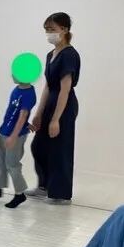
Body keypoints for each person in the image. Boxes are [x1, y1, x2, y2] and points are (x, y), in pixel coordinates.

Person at [29, 12, 81, 203]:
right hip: (51, 102)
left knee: (60, 148)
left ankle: (60, 193)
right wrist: (39, 114)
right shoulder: (51, 55)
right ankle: (44, 185)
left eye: (53, 30)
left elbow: (64, 89)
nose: (49, 34)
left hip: (64, 106)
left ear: (64, 30)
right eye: (47, 30)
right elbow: (48, 86)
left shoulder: (69, 55)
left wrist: (56, 119)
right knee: (39, 146)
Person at [0, 76, 37, 209]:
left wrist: (14, 136)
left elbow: (23, 114)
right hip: (4, 130)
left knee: (12, 164)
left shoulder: (29, 94)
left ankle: (20, 193)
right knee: (0, 161)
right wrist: (27, 124)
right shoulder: (16, 90)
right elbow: (14, 113)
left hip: (14, 135)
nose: (12, 75)